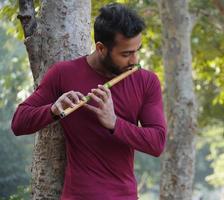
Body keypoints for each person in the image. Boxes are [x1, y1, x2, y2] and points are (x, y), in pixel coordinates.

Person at [11, 3, 167, 200]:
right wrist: (52, 110)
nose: (134, 60)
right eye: (126, 54)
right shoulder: (64, 74)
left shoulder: (147, 81)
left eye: (137, 50)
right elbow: (18, 123)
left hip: (124, 196)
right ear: (101, 48)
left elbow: (157, 143)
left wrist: (115, 123)